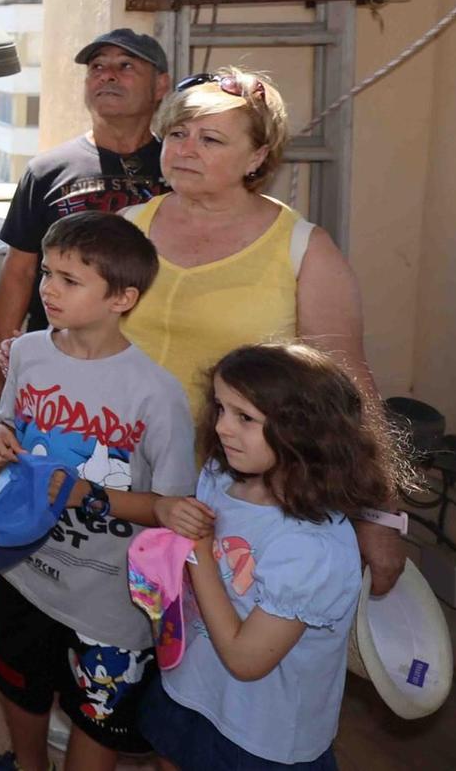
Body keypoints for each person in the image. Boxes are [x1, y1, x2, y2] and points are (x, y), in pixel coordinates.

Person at [118, 67, 407, 594]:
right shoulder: (125, 229)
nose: (185, 149)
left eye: (210, 139)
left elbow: (352, 389)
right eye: (177, 133)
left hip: (236, 499)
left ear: (256, 158)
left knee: (215, 648)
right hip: (117, 477)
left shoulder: (303, 250)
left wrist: (379, 516)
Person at [0, 212, 201, 771]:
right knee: (19, 685)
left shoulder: (156, 395)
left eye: (70, 280)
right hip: (24, 569)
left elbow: (172, 508)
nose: (49, 290)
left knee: (97, 716)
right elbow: (8, 417)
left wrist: (84, 493)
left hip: (108, 597)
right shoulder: (29, 352)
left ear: (122, 298)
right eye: (48, 273)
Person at [140, 343, 416, 770]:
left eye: (244, 417)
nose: (222, 428)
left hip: (261, 736)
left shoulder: (313, 549)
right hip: (195, 689)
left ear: (304, 433)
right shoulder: (219, 476)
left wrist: (198, 550)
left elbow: (246, 660)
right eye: (221, 408)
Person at [0, 29, 172, 420]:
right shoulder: (48, 171)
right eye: (97, 67)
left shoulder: (181, 167)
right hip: (60, 367)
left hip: (155, 361)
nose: (108, 75)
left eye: (126, 66)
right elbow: (19, 270)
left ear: (160, 85)